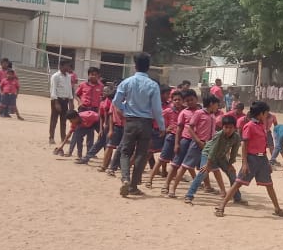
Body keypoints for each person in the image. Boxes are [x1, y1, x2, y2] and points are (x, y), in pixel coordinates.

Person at [216, 102, 283, 218]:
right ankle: (221, 207)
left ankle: (277, 209)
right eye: (266, 113)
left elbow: (262, 145)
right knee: (238, 183)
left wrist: (267, 162)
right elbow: (244, 145)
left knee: (269, 184)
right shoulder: (249, 126)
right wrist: (245, 163)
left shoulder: (261, 125)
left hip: (262, 159)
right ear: (260, 114)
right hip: (251, 159)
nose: (267, 115)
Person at [113, 53, 166, 197]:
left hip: (130, 121)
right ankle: (134, 186)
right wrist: (162, 126)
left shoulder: (127, 82)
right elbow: (157, 109)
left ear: (135, 66)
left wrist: (125, 109)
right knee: (141, 154)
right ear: (148, 67)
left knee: (125, 152)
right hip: (146, 123)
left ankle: (125, 178)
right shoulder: (153, 85)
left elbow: (116, 102)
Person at [184, 114, 244, 205]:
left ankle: (237, 197)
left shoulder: (236, 137)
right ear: (222, 127)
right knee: (202, 173)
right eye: (226, 127)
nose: (228, 130)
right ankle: (189, 195)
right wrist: (208, 165)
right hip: (208, 155)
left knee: (232, 174)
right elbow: (212, 150)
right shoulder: (219, 135)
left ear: (235, 128)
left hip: (221, 157)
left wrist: (230, 164)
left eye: (231, 127)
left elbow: (234, 152)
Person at [168, 95, 220, 198]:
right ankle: (172, 189)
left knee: (209, 168)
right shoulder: (199, 113)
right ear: (211, 104)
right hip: (197, 145)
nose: (217, 107)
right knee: (185, 167)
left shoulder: (212, 116)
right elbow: (190, 128)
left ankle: (212, 188)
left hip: (208, 146)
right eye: (216, 104)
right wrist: (197, 141)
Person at [163, 89, 199, 195]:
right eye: (187, 101)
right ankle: (167, 185)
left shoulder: (200, 112)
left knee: (201, 166)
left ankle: (206, 186)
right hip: (185, 140)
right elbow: (179, 129)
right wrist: (177, 143)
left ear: (196, 99)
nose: (189, 102)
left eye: (191, 100)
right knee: (175, 164)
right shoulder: (184, 112)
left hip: (197, 142)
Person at [77, 85, 115, 165]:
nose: (105, 93)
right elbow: (100, 117)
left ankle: (108, 161)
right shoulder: (102, 102)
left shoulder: (112, 101)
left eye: (107, 91)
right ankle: (87, 158)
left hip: (112, 126)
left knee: (106, 144)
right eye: (104, 91)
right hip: (105, 127)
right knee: (100, 143)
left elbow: (111, 115)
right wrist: (101, 129)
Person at [49, 59, 73, 145]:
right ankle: (51, 137)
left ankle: (63, 137)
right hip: (57, 100)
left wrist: (71, 101)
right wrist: (56, 102)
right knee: (54, 120)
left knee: (63, 120)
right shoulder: (55, 76)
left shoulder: (69, 76)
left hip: (65, 100)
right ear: (61, 66)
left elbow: (69, 89)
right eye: (66, 65)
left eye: (68, 65)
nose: (68, 67)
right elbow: (53, 89)